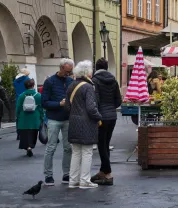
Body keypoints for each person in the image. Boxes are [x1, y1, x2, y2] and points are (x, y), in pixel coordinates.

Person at [66, 60, 103, 189]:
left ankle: (73, 180)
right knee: (87, 152)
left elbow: (66, 106)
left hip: (74, 122)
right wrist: (99, 117)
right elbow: (91, 108)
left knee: (76, 152)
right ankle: (84, 181)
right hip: (87, 123)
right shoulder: (88, 87)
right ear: (87, 72)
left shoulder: (71, 85)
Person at [41, 58, 75, 186]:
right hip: (53, 119)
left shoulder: (71, 81)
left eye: (70, 71)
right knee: (51, 148)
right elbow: (44, 102)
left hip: (67, 119)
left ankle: (66, 174)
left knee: (68, 148)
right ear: (61, 68)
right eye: (67, 71)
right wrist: (58, 104)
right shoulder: (49, 82)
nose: (68, 74)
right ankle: (48, 175)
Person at [91, 58, 122, 186]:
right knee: (106, 143)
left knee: (101, 144)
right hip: (112, 116)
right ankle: (103, 171)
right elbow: (118, 100)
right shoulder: (113, 80)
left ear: (96, 68)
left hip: (101, 116)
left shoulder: (95, 81)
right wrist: (111, 107)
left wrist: (98, 112)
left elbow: (96, 99)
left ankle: (108, 172)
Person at [15, 78, 44, 157]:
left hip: (23, 118)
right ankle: (31, 146)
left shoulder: (21, 96)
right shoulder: (38, 95)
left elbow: (18, 107)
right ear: (33, 85)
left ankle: (27, 147)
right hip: (35, 118)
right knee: (33, 134)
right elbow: (41, 108)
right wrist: (42, 116)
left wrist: (17, 116)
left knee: (24, 134)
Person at [13, 68, 31, 140]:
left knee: (19, 117)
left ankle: (19, 133)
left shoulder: (15, 80)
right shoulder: (27, 79)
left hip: (18, 99)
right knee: (27, 117)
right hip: (26, 99)